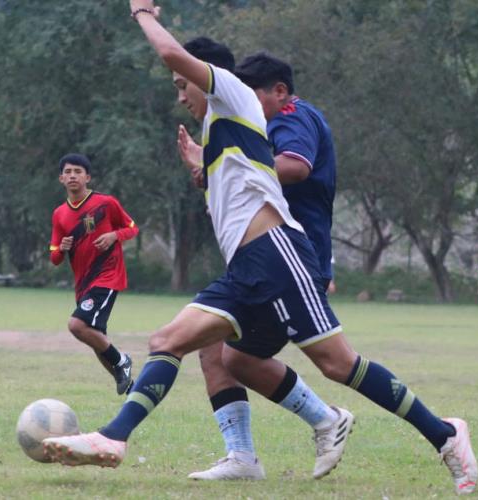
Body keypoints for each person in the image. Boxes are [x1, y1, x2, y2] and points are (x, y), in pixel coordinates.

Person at [44, 3, 478, 495]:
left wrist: (143, 12)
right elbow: (232, 198)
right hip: (245, 271)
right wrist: (201, 168)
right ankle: (114, 439)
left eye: (181, 85)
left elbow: (169, 51)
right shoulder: (219, 131)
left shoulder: (229, 92)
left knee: (338, 365)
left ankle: (446, 434)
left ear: (203, 77)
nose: (180, 95)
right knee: (171, 341)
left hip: (278, 256)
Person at [176, 53, 347, 480]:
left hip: (290, 256)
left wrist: (232, 164)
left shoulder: (291, 115)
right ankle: (246, 456)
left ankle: (435, 433)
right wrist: (209, 169)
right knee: (220, 351)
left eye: (254, 92)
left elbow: (295, 165)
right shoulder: (249, 122)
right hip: (267, 258)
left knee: (336, 363)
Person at [49, 153, 138, 395]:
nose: (72, 176)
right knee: (97, 339)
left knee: (77, 325)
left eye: (77, 171)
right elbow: (54, 256)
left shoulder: (106, 203)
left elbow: (132, 228)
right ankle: (133, 391)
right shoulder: (59, 214)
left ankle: (122, 361)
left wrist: (114, 235)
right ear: (61, 179)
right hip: (83, 284)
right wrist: (62, 249)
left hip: (107, 277)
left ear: (87, 177)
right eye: (67, 172)